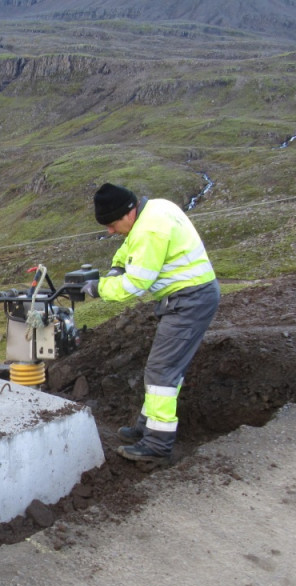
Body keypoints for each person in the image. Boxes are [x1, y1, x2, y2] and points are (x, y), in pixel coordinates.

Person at [82, 182, 220, 465]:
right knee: (163, 368)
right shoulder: (154, 208)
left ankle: (157, 445)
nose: (109, 231)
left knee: (161, 371)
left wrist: (99, 289)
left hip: (189, 301)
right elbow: (129, 247)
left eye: (111, 224)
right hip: (189, 297)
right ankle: (147, 427)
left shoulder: (149, 230)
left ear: (128, 214)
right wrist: (116, 268)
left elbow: (134, 285)